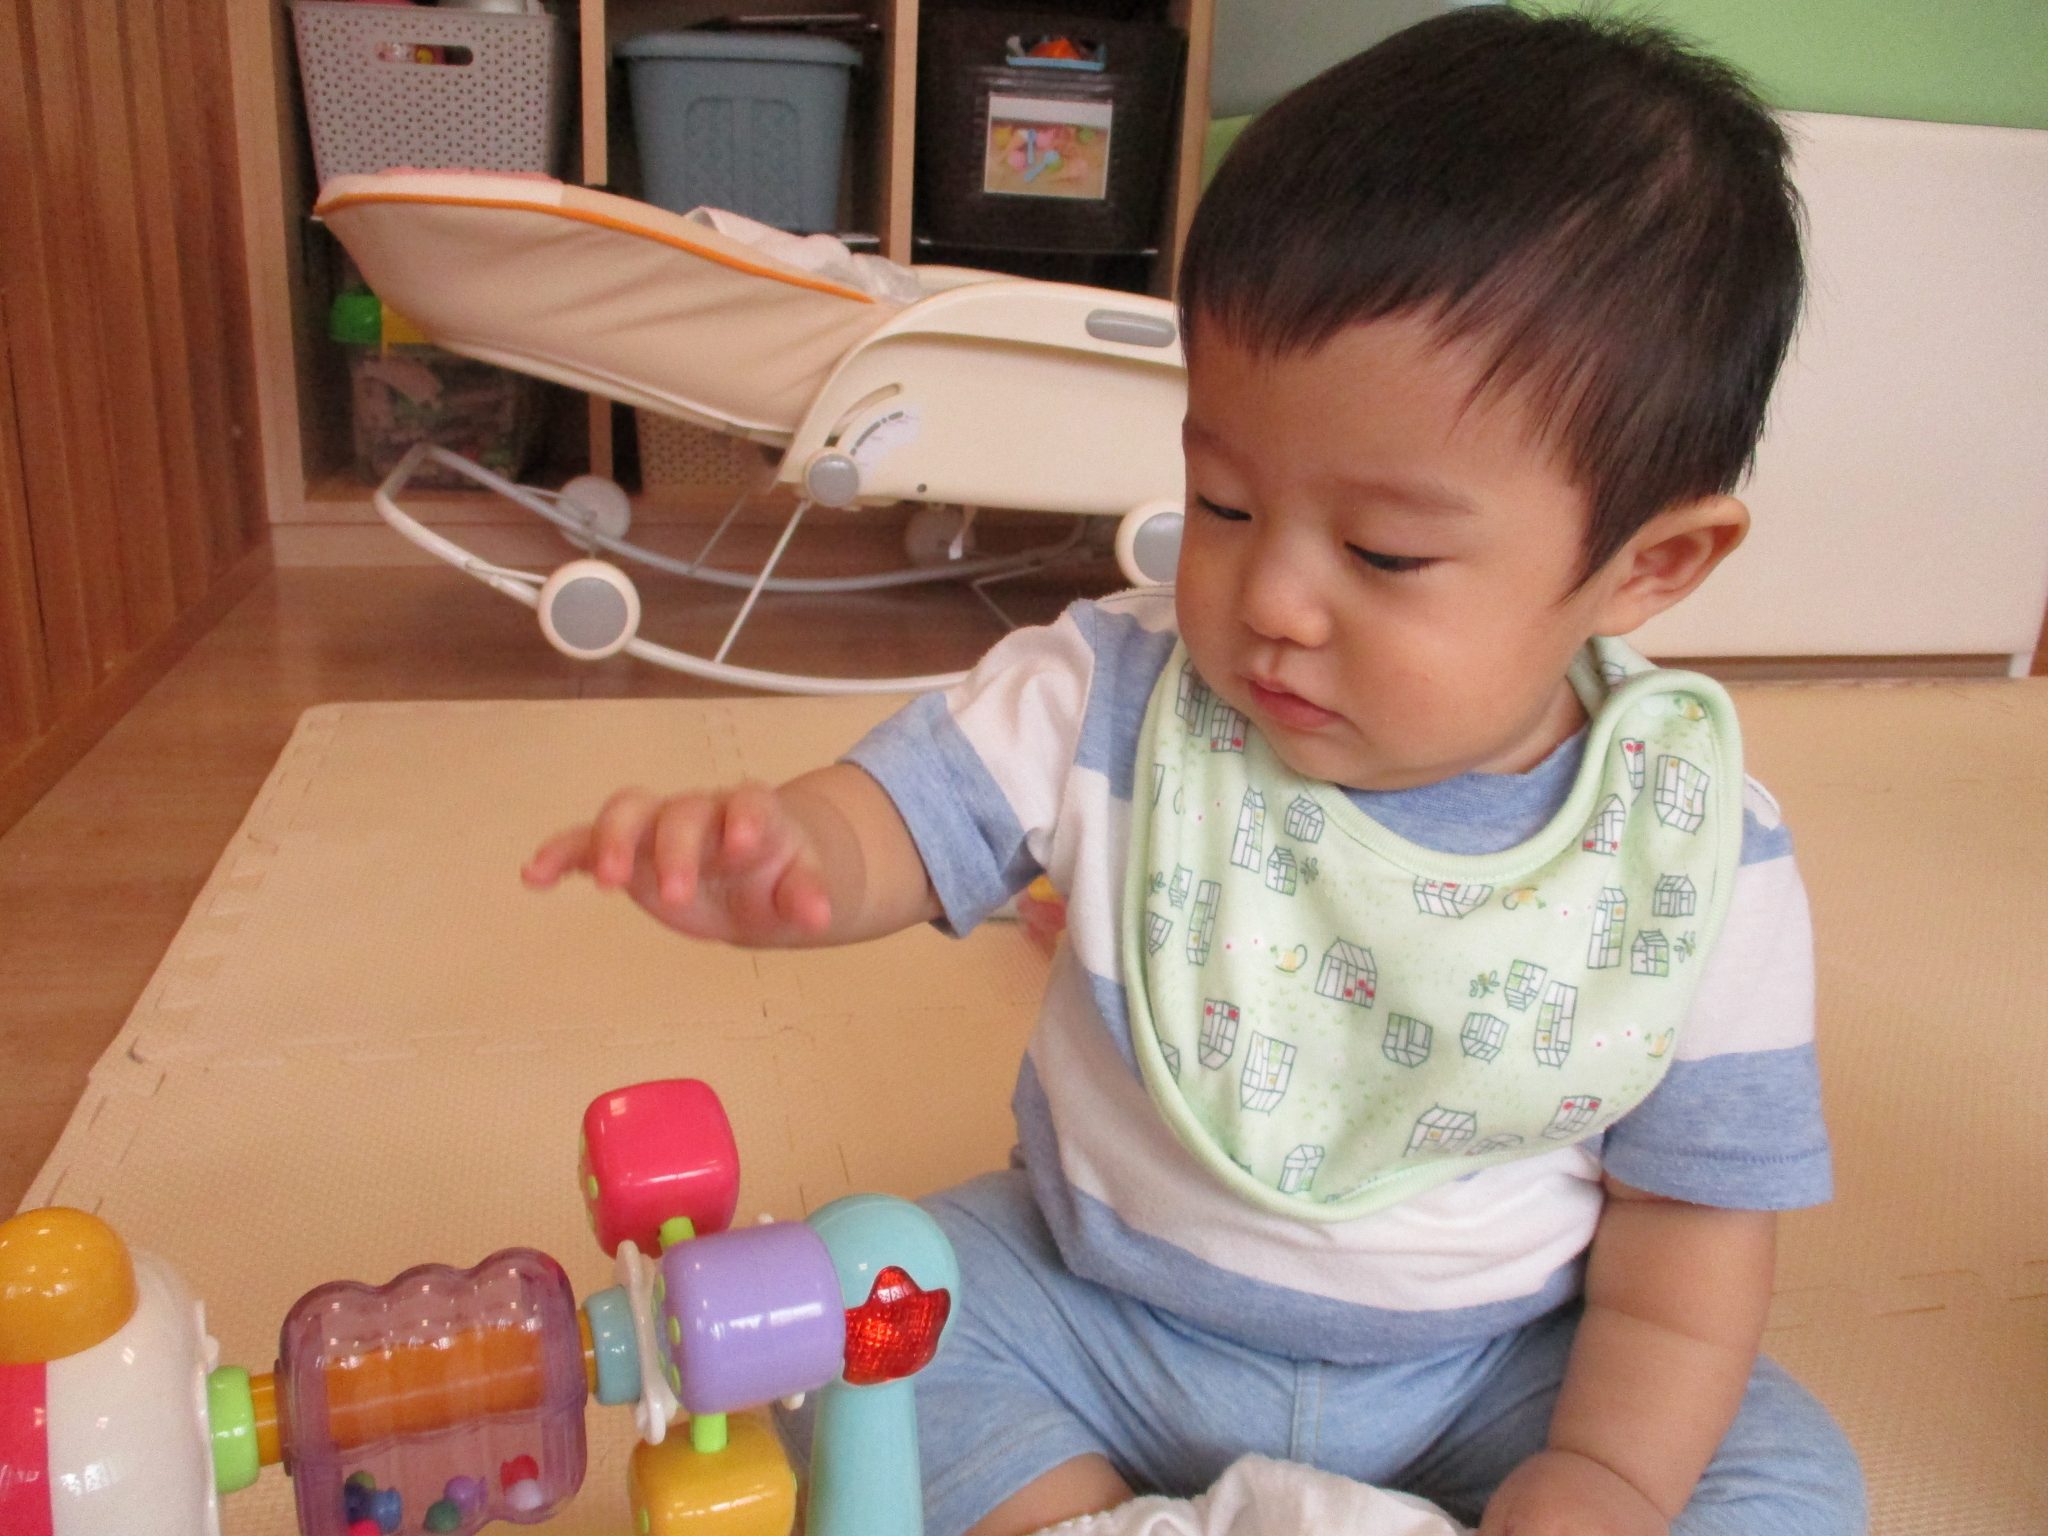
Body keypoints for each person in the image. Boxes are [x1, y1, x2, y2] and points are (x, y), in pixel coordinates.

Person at [522, 10, 1865, 1535]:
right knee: (862, 1312)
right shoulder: (1113, 692)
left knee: (1780, 1480)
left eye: (1384, 552)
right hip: (1098, 1307)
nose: (1272, 600)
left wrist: (1606, 1477)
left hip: (1489, 1372)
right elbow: (903, 817)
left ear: (1648, 566)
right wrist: (788, 852)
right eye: (1223, 502)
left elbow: (1692, 1228)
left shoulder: (1692, 863)